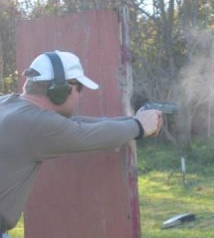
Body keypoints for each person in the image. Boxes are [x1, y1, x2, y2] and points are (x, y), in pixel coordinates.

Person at [0, 50, 163, 237]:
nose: (81, 96)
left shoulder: (8, 104)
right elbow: (88, 134)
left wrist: (134, 122)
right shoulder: (36, 124)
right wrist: (139, 127)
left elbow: (77, 125)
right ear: (60, 90)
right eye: (80, 89)